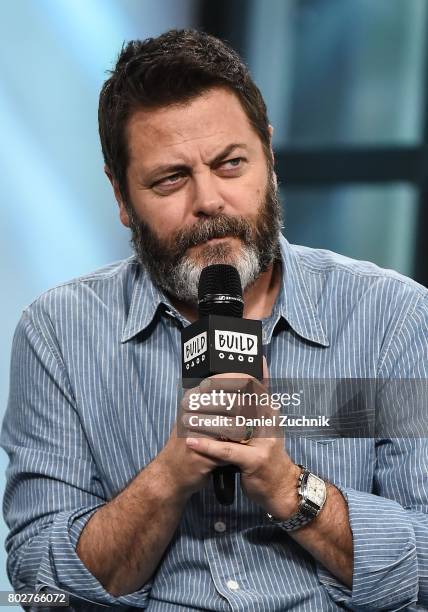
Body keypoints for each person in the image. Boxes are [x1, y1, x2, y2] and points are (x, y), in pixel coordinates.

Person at [1, 28, 428, 611]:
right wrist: (168, 477)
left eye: (231, 164)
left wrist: (287, 487)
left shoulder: (391, 319)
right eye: (170, 178)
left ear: (269, 158)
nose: (209, 200)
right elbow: (37, 586)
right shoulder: (59, 335)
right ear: (122, 197)